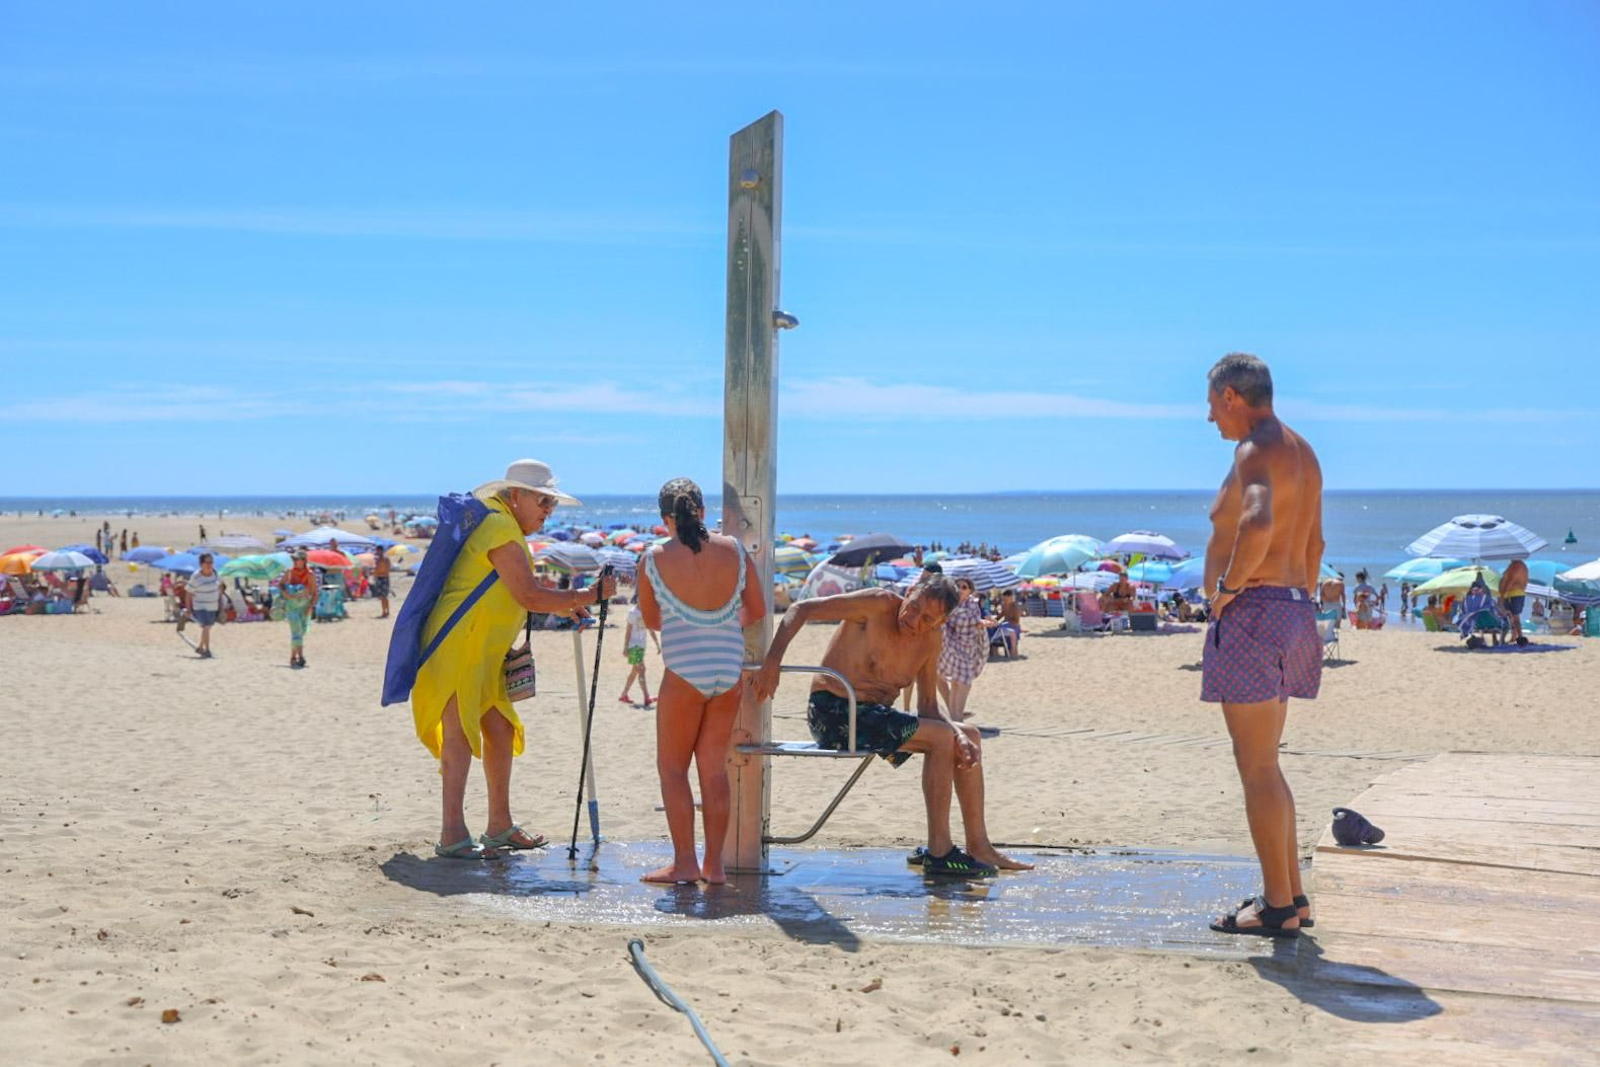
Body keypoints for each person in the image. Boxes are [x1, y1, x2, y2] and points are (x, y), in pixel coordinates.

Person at [753, 578, 1032, 877]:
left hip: (876, 717)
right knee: (941, 738)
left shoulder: (930, 640)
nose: (913, 620)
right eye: (913, 607)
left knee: (970, 734)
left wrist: (960, 734)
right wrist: (773, 661)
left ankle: (979, 845)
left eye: (926, 619)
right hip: (833, 712)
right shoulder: (876, 604)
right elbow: (802, 608)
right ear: (910, 593)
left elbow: (927, 707)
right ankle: (939, 852)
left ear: (942, 622)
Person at [413, 459, 613, 860]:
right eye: (543, 500)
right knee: (459, 737)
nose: (547, 510)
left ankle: (499, 826)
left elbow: (521, 594)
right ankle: (452, 832)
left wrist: (567, 605)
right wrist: (587, 597)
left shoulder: (504, 526)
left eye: (552, 504)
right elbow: (529, 595)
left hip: (484, 652)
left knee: (500, 730)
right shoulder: (501, 527)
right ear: (515, 495)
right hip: (459, 647)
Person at [1201, 352, 1321, 938]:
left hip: (1254, 611)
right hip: (1294, 609)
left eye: (1210, 404)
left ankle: (1276, 908)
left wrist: (1227, 592)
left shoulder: (1254, 449)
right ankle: (1291, 894)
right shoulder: (1303, 451)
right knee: (1269, 765)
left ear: (1230, 396)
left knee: (1255, 768)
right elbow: (1316, 542)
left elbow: (1258, 522)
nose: (1209, 420)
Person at [636, 478, 766, 884]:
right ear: (703, 512)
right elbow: (757, 609)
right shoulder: (734, 550)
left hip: (684, 672)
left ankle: (685, 863)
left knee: (672, 769)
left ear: (665, 519)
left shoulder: (654, 558)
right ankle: (715, 866)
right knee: (713, 770)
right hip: (726, 668)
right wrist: (721, 625)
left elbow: (654, 620)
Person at [937, 577, 989, 721]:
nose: (960, 589)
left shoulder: (973, 605)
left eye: (964, 587)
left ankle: (956, 719)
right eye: (958, 586)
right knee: (959, 682)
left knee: (961, 683)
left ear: (970, 591)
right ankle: (957, 719)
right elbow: (944, 621)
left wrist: (982, 623)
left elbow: (971, 621)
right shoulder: (949, 605)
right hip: (951, 646)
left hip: (968, 648)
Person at [618, 598, 660, 708]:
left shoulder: (645, 612)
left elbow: (650, 629)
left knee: (635, 671)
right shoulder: (633, 613)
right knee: (641, 669)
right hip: (634, 646)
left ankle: (624, 694)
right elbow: (628, 630)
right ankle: (647, 697)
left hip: (641, 646)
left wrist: (657, 644)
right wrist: (626, 647)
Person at [279, 551, 317, 668]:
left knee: (302, 631)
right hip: (292, 607)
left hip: (305, 606)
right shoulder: (289, 572)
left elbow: (315, 592)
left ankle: (292, 657)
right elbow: (280, 585)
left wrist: (311, 607)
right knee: (296, 632)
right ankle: (300, 657)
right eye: (294, 559)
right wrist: (286, 594)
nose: (295, 562)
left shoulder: (310, 574)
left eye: (297, 559)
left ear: (304, 561)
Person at [188, 554, 223, 658]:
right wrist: (189, 609)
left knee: (207, 628)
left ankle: (200, 647)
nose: (209, 565)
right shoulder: (196, 577)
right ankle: (207, 649)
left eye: (211, 562)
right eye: (207, 562)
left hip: (213, 606)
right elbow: (188, 593)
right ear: (201, 564)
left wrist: (221, 607)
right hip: (200, 606)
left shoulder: (216, 574)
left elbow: (220, 588)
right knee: (206, 626)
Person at [1498, 558, 1528, 642]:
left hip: (1512, 594)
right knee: (1514, 617)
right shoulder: (1524, 566)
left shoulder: (1515, 566)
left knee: (1514, 617)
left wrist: (1502, 595)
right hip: (1520, 593)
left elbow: (1510, 581)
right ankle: (1515, 636)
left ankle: (1520, 637)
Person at [372, 548, 392, 619]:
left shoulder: (385, 560)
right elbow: (376, 570)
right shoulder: (377, 560)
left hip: (384, 579)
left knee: (385, 596)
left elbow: (386, 571)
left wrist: (378, 572)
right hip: (379, 578)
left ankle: (387, 611)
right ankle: (384, 611)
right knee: (381, 597)